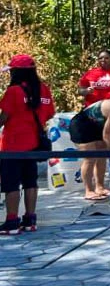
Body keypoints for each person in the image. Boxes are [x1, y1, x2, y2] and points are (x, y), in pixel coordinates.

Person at [0, 55, 55, 235]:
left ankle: (12, 222)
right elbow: (50, 114)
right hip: (34, 144)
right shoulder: (43, 89)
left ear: (17, 72)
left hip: (12, 145)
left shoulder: (14, 91)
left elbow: (4, 117)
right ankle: (30, 219)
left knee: (11, 184)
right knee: (30, 181)